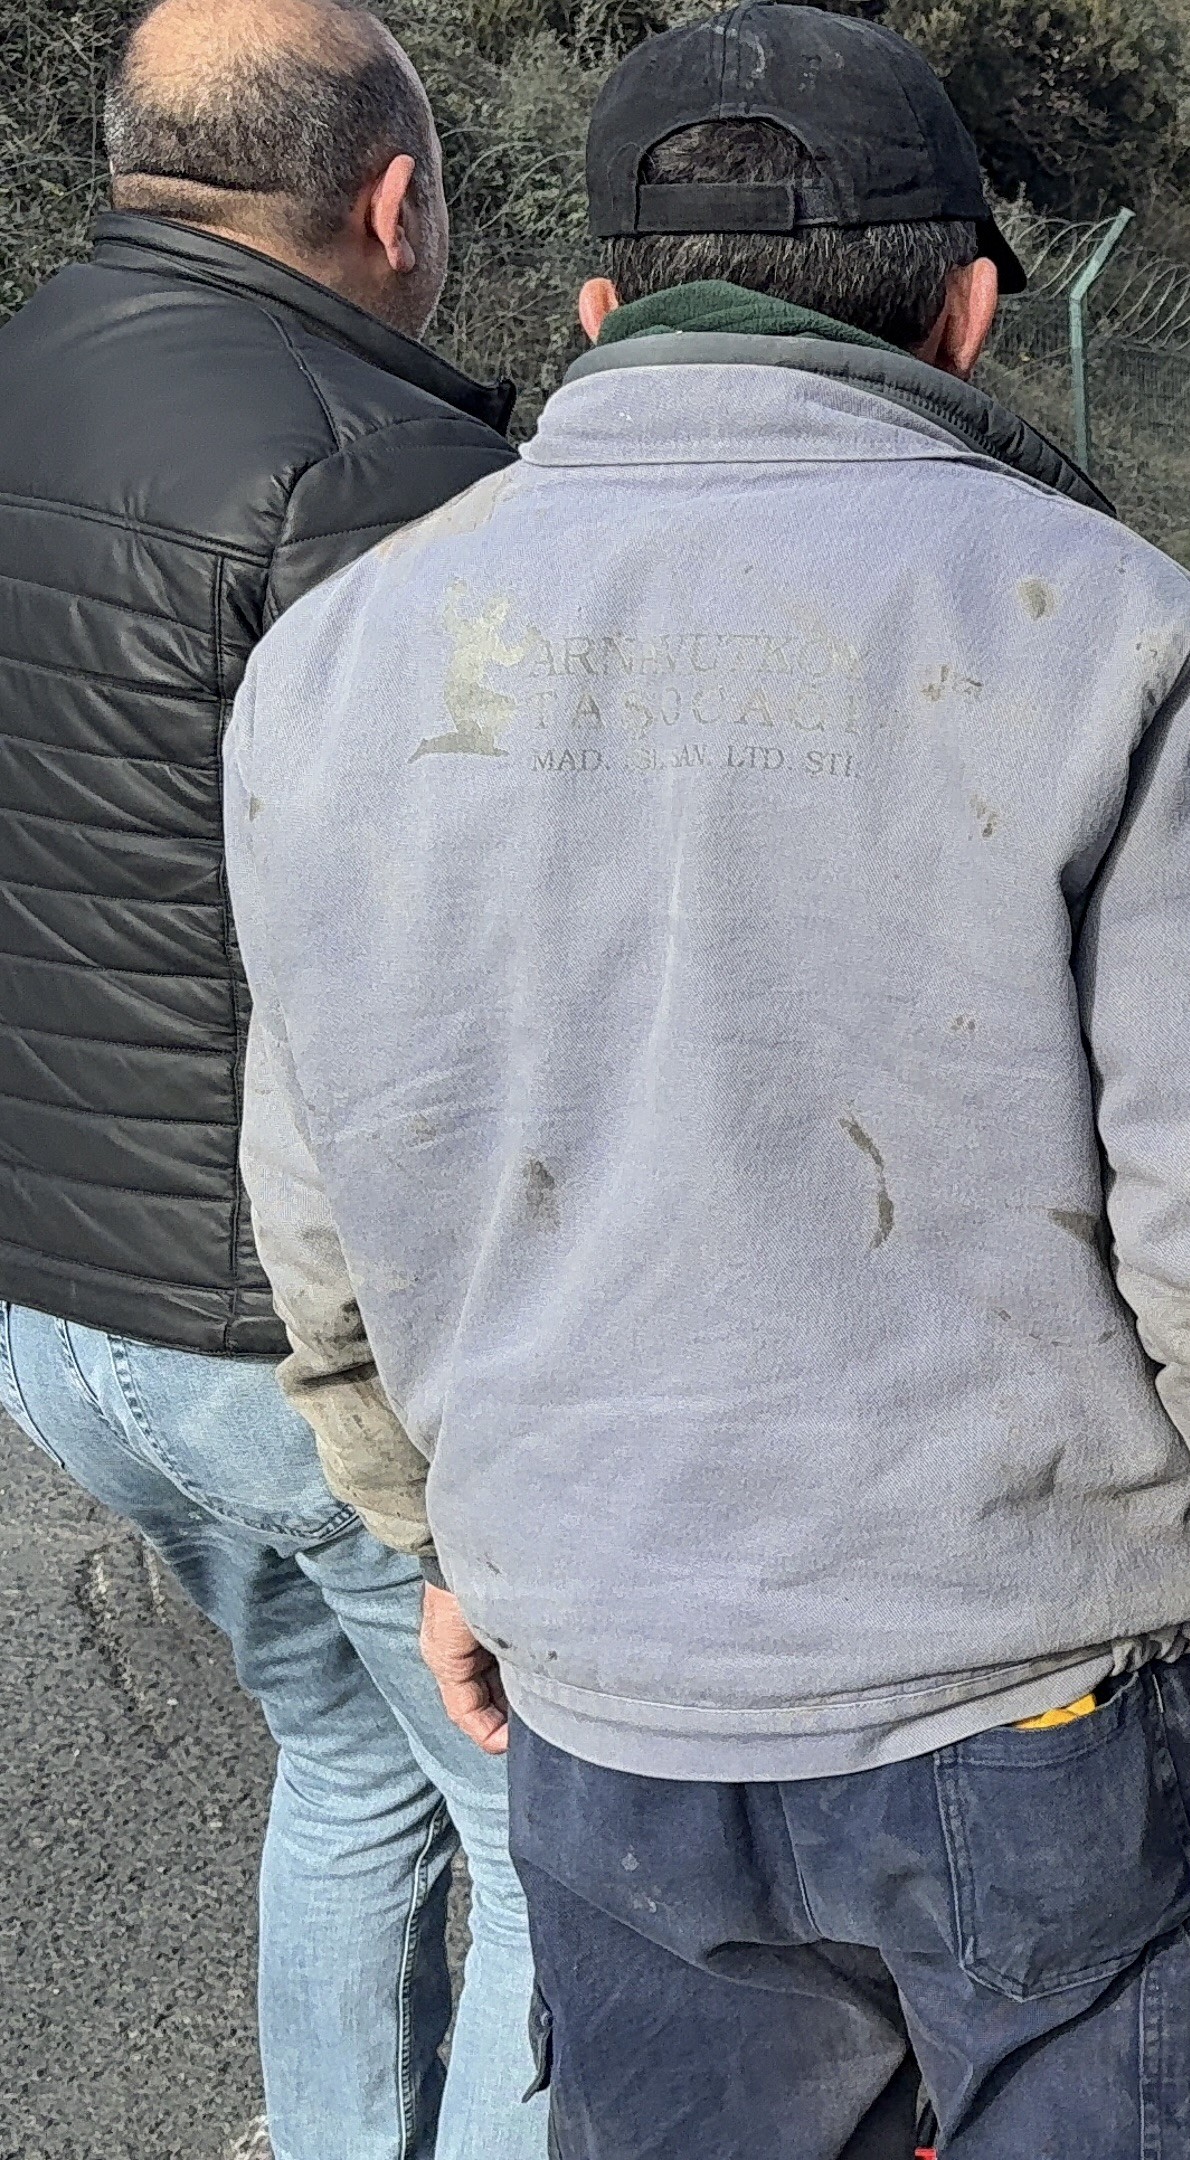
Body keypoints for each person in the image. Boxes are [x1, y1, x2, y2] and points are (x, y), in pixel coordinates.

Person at [221, 8, 1190, 2151]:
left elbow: (322, 1205)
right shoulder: (1112, 631)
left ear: (597, 310)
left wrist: (440, 1531)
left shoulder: (339, 656)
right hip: (1035, 1686)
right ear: (971, 309)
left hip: (611, 1680)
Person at [0, 3, 542, 2153]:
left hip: (61, 1308)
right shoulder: (386, 473)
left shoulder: (27, 370)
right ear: (395, 201)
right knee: (533, 1846)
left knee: (343, 1772)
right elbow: (484, 973)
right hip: (300, 1345)